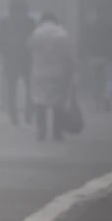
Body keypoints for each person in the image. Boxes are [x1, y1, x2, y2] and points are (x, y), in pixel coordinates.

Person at [29, 12, 76, 142]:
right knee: (58, 104)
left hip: (39, 72)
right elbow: (69, 56)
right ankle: (57, 132)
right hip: (58, 73)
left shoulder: (37, 33)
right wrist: (72, 70)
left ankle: (41, 131)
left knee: (40, 102)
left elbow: (28, 48)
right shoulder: (62, 34)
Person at [0, 0, 36, 125]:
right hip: (27, 58)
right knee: (30, 87)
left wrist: (4, 53)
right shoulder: (30, 22)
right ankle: (29, 113)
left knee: (11, 89)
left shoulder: (4, 22)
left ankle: (13, 115)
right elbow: (34, 40)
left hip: (10, 58)